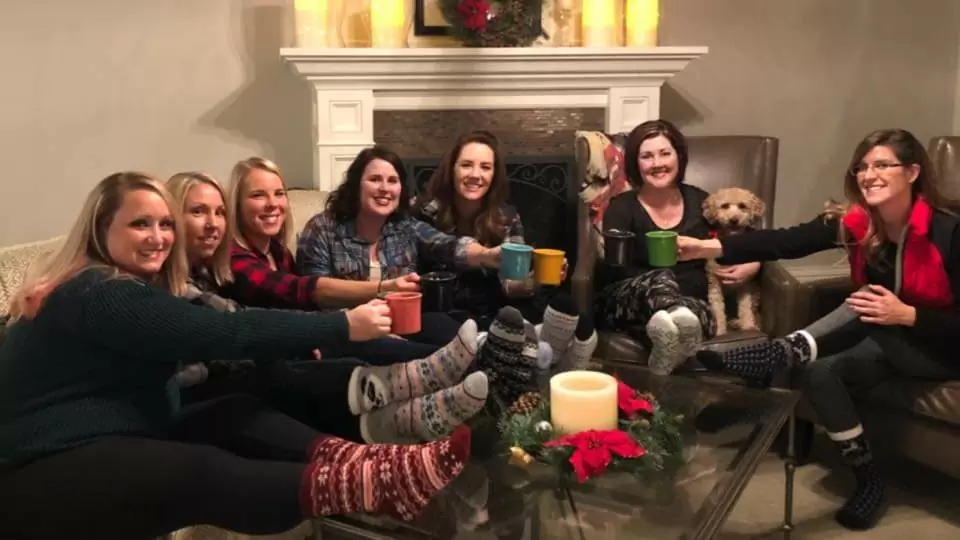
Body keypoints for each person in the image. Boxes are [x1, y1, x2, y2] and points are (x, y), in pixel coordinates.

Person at [0, 172, 481, 539]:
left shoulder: (123, 286)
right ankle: (375, 485)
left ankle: (368, 463)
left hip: (108, 435)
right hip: (38, 469)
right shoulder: (98, 289)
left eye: (166, 224)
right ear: (101, 229)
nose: (159, 237)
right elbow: (224, 329)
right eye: (140, 224)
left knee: (232, 412)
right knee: (195, 471)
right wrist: (343, 323)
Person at [676, 128, 960, 530]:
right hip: (891, 340)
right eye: (862, 166)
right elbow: (787, 241)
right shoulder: (861, 222)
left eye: (882, 165)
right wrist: (709, 248)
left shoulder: (951, 232)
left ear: (913, 172)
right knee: (819, 370)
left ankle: (778, 356)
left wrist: (910, 315)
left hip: (942, 349)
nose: (869, 174)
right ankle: (869, 482)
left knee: (869, 300)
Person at [167, 171, 485, 438]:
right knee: (348, 353)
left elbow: (443, 245)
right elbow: (288, 297)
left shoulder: (265, 254)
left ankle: (470, 363)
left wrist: (487, 255)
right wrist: (347, 316)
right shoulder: (233, 261)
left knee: (440, 321)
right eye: (198, 212)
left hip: (294, 340)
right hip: (273, 353)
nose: (212, 223)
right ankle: (456, 376)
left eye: (218, 212)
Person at [597, 119, 760, 373]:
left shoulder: (701, 202)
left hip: (691, 300)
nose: (657, 163)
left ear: (678, 157)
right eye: (647, 156)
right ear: (635, 164)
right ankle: (673, 335)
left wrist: (754, 261)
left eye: (665, 153)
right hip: (632, 298)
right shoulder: (622, 207)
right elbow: (615, 269)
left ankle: (666, 344)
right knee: (663, 281)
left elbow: (740, 237)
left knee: (695, 314)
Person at [295, 146, 502, 345]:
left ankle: (484, 345)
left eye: (392, 180)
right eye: (375, 179)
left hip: (400, 327)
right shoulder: (323, 228)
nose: (384, 188)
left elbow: (448, 246)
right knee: (421, 348)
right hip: (347, 329)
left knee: (447, 326)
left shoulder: (404, 227)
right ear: (356, 185)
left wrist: (488, 255)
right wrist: (384, 289)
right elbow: (317, 291)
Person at [414, 131, 565, 327]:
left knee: (528, 312)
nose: (475, 175)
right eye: (466, 165)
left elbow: (510, 285)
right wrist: (486, 255)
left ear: (494, 175)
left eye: (485, 167)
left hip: (488, 313)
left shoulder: (507, 218)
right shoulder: (425, 211)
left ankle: (540, 341)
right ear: (452, 169)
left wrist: (537, 279)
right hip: (440, 314)